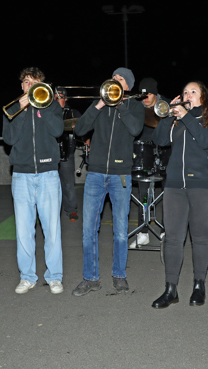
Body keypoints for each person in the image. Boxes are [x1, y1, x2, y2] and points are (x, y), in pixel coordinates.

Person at [72, 68, 145, 296]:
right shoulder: (99, 105)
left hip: (120, 174)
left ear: (128, 87)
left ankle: (119, 275)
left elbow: (135, 129)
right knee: (88, 230)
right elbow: (79, 130)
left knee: (121, 230)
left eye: (121, 79)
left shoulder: (134, 106)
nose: (115, 80)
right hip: (95, 174)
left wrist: (120, 104)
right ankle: (90, 278)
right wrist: (99, 106)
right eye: (114, 77)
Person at [151, 81, 208, 308]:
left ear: (203, 97)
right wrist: (167, 116)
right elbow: (160, 141)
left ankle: (199, 286)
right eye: (184, 92)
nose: (187, 95)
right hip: (174, 185)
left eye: (193, 91)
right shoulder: (176, 120)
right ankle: (171, 289)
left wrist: (187, 117)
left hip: (205, 185)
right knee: (173, 238)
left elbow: (207, 141)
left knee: (200, 237)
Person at [3, 68, 65, 294]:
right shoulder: (12, 108)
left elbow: (58, 130)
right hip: (21, 175)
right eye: (27, 82)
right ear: (22, 86)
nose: (31, 86)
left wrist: (44, 106)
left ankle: (54, 276)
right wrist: (20, 108)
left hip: (48, 173)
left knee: (52, 230)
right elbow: (9, 138)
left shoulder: (52, 106)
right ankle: (27, 276)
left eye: (36, 83)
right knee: (23, 231)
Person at [131, 76, 165, 247]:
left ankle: (166, 228)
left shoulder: (164, 105)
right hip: (144, 154)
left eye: (148, 95)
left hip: (165, 153)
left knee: (169, 194)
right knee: (143, 194)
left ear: (155, 94)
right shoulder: (137, 107)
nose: (145, 99)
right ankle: (143, 232)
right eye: (142, 95)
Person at [56, 87, 81, 222]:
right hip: (51, 153)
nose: (56, 98)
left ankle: (72, 210)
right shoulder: (48, 112)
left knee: (68, 184)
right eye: (54, 96)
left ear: (65, 99)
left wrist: (87, 140)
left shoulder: (73, 113)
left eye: (59, 96)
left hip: (66, 153)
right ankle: (52, 211)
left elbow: (83, 128)